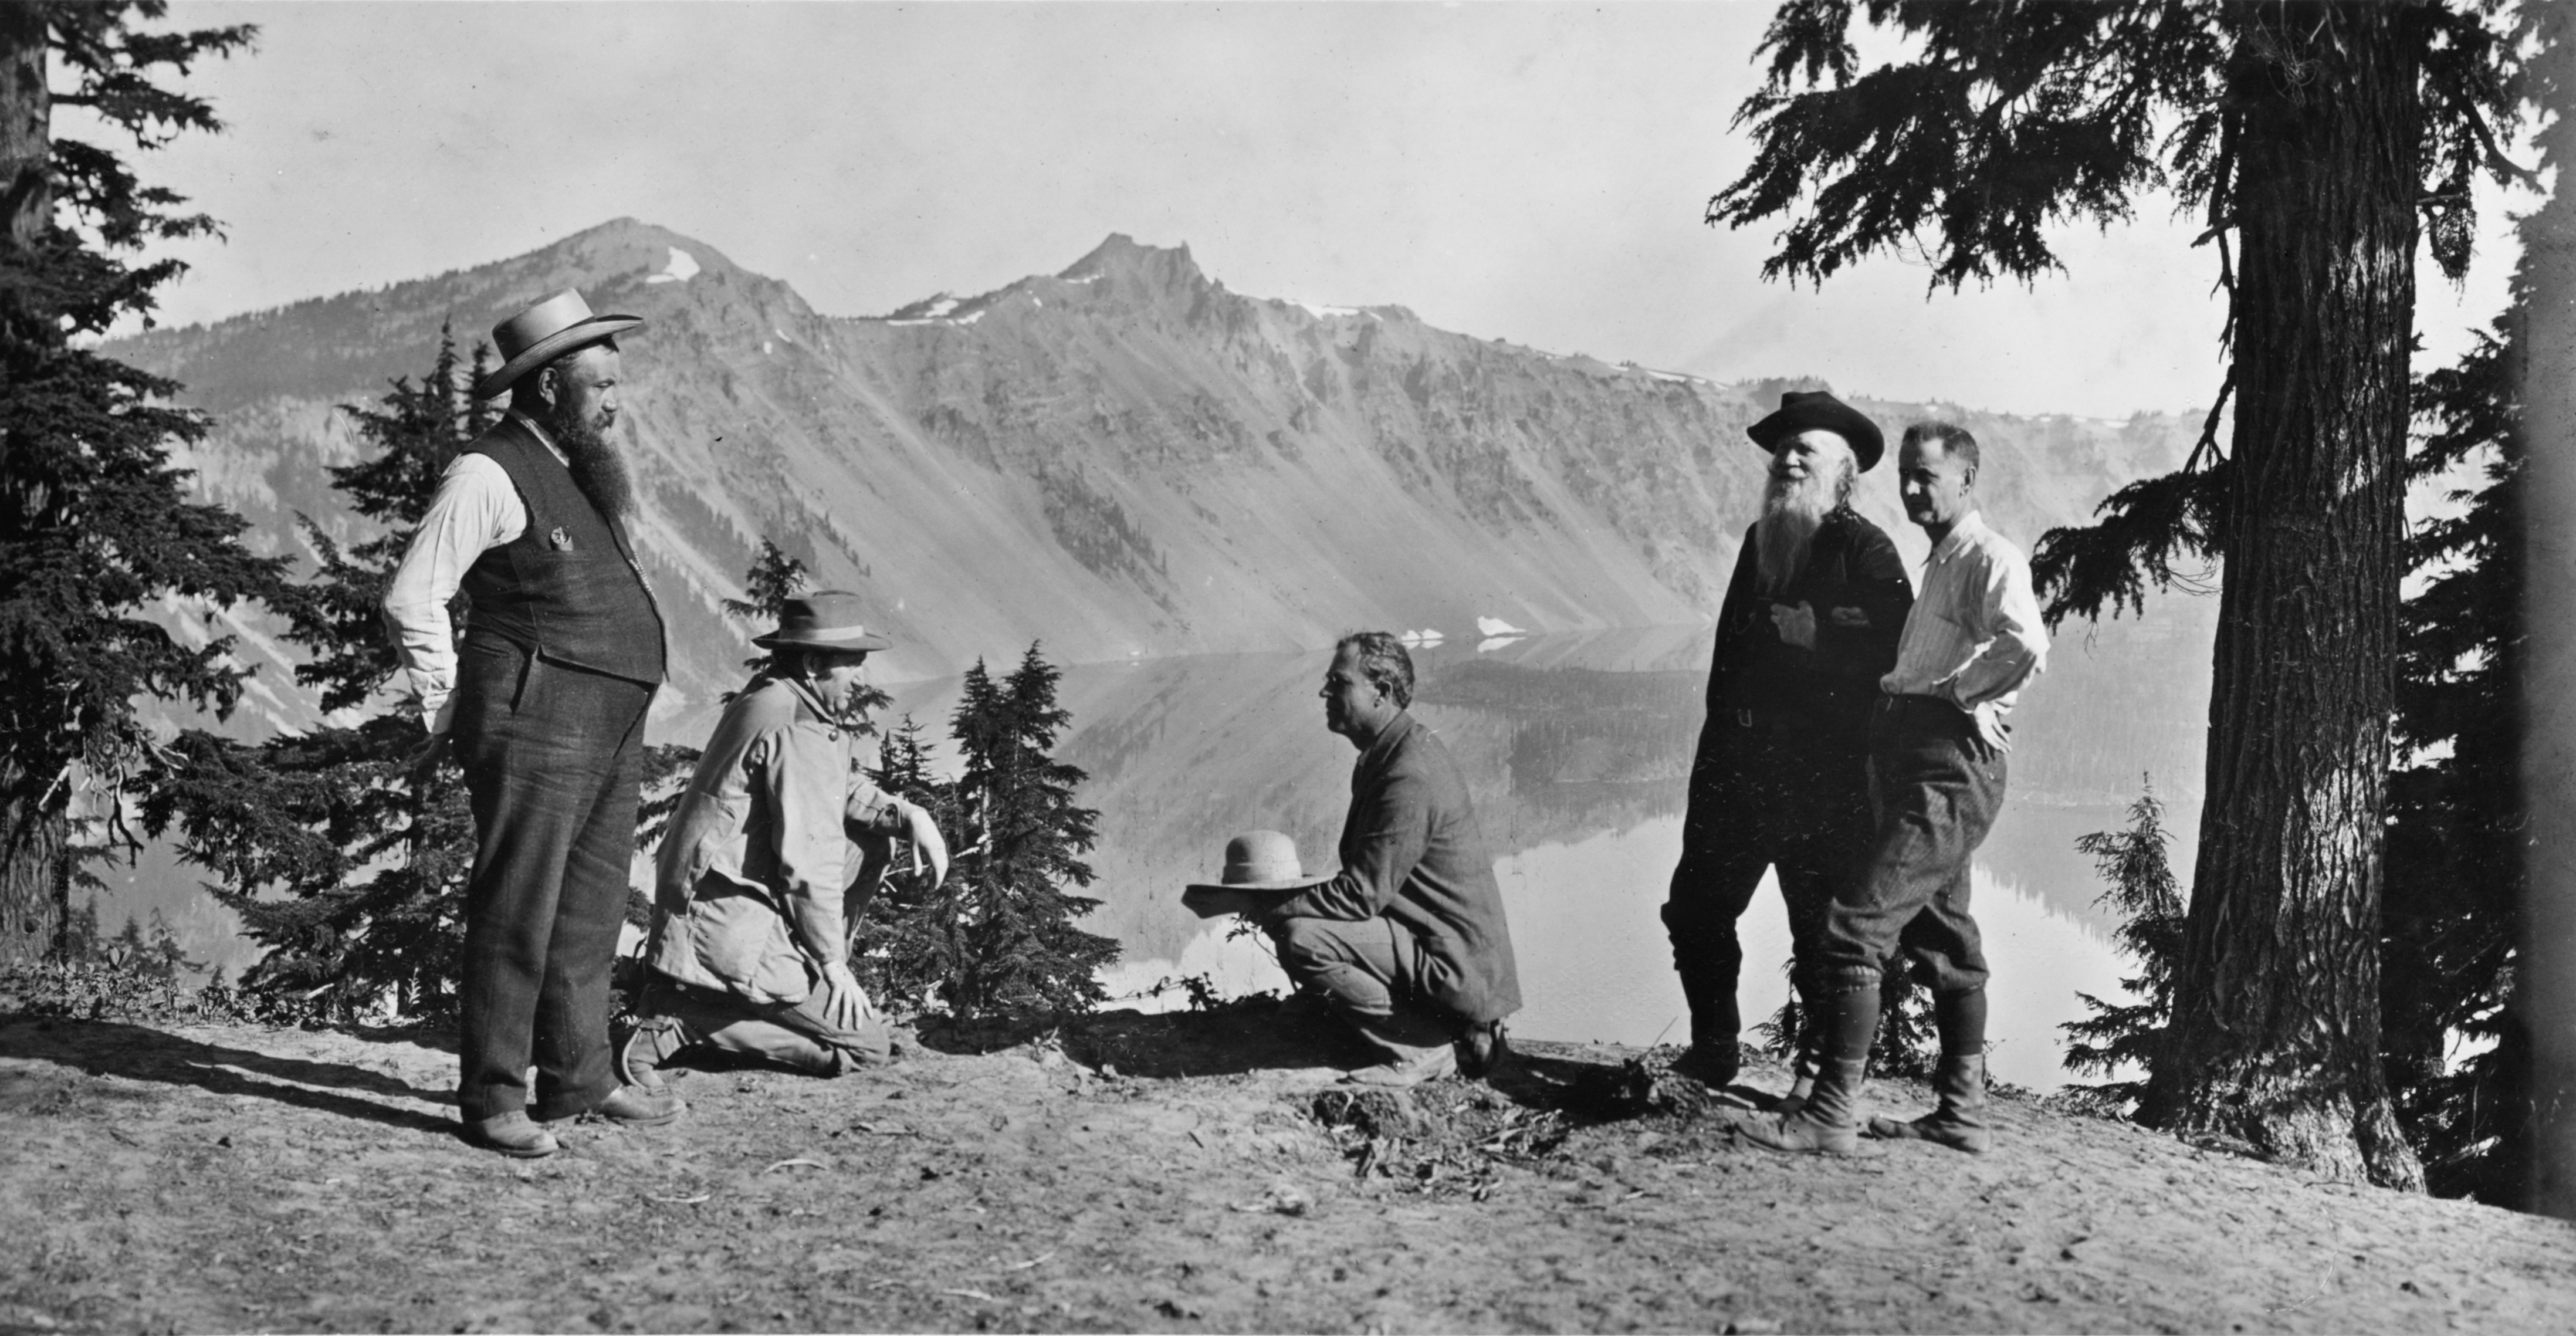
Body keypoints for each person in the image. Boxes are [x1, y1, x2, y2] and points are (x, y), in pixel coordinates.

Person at [384, 289, 678, 1156]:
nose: (616, 402)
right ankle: (491, 1098)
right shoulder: (488, 469)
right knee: (518, 907)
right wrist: (446, 705)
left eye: (618, 383)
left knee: (588, 912)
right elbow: (413, 594)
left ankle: (579, 1079)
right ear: (548, 387)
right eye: (600, 386)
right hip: (536, 716)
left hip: (608, 720)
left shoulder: (581, 463)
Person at [1736, 420, 2048, 1155]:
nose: (1910, 490)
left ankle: (1828, 1116)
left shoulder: (1986, 557)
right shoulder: (1944, 560)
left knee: (1854, 928)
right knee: (1942, 936)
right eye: (1904, 476)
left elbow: (2026, 642)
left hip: (1945, 765)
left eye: (1927, 477)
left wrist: (1960, 692)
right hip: (1918, 764)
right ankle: (1960, 1114)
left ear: (1966, 481)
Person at [1662, 391, 1912, 1093]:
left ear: (1843, 471)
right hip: (1737, 768)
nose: (1788, 458)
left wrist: (1823, 640)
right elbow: (1726, 658)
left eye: (1806, 448)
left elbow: (1899, 653)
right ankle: (1714, 1048)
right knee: (1695, 909)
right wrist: (1711, 759)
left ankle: (1818, 1075)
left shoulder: (1865, 549)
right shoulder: (1759, 540)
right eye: (1783, 449)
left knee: (1817, 931)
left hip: (1817, 776)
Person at [620, 591, 950, 1086]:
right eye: (852, 664)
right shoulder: (796, 725)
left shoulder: (773, 697)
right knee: (865, 1050)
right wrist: (834, 964)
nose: (861, 677)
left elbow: (831, 784)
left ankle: (702, 997)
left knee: (869, 837)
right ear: (815, 662)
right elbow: (809, 862)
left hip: (711, 908)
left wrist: (906, 813)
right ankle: (683, 1025)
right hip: (729, 923)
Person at [1183, 633, 1522, 1087]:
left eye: (1338, 682)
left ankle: (1420, 1047)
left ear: (1380, 692)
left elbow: (1359, 896)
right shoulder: (1386, 755)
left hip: (1456, 966)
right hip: (1437, 947)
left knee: (1304, 937)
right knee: (1303, 930)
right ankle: (1389, 1021)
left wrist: (1266, 905)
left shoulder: (1407, 773)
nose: (1325, 692)